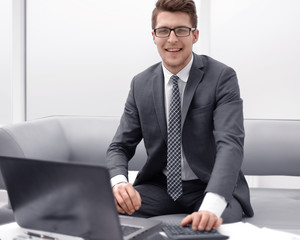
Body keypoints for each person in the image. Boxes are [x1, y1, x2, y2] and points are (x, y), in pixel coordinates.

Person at [106, 0, 254, 231]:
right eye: (164, 30)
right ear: (154, 36)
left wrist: (211, 205)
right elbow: (119, 147)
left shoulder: (222, 77)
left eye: (181, 30)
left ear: (194, 35)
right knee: (107, 208)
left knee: (219, 221)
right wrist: (119, 184)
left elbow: (230, 144)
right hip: (160, 187)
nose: (172, 39)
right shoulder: (140, 84)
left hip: (207, 184)